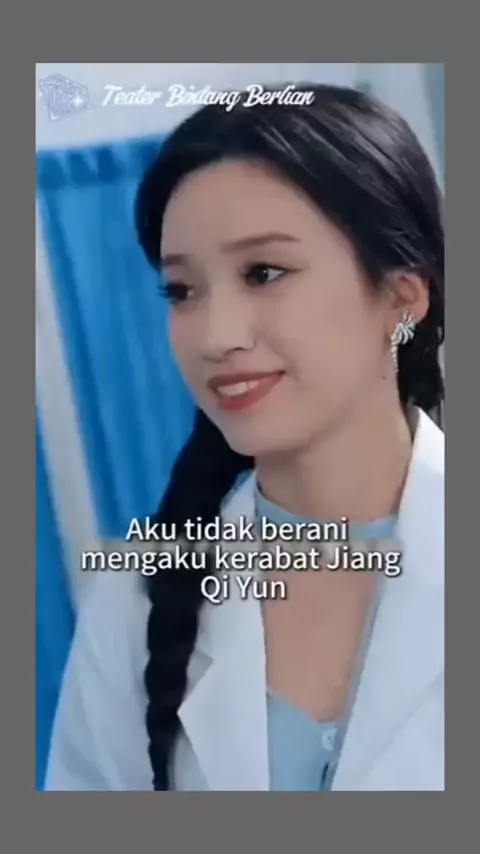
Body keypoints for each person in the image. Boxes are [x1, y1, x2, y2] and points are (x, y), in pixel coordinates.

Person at [45, 83, 445, 791]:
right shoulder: (137, 604)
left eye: (264, 273)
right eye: (182, 291)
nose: (216, 336)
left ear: (400, 298)